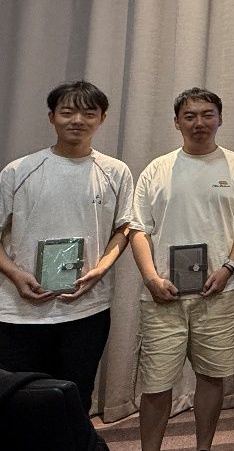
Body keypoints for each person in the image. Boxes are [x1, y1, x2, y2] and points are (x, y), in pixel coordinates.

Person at [129, 88, 234, 451]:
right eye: (189, 116)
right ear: (177, 122)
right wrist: (151, 278)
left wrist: (229, 267)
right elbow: (138, 228)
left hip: (217, 292)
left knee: (212, 376)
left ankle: (204, 446)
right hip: (162, 295)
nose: (199, 123)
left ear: (219, 119)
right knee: (155, 384)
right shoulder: (157, 169)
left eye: (207, 115)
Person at [0, 81, 133, 414]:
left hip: (86, 308)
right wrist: (16, 275)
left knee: (76, 396)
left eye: (88, 113)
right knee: (18, 402)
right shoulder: (18, 170)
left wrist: (101, 269)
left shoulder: (115, 171)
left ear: (102, 118)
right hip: (19, 311)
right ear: (51, 117)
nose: (77, 120)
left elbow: (124, 228)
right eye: (67, 112)